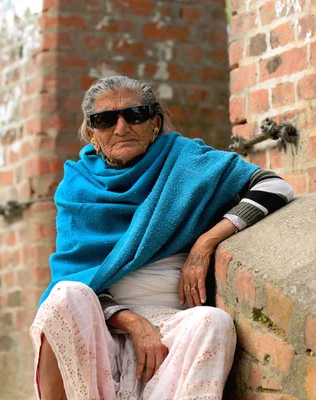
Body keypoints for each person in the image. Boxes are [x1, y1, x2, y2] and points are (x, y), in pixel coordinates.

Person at [30, 76, 294, 399]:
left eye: (135, 114)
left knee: (214, 322)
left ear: (155, 123)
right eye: (105, 120)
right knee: (65, 295)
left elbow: (275, 187)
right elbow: (77, 278)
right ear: (91, 135)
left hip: (174, 329)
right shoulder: (77, 187)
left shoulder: (186, 162)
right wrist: (131, 322)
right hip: (103, 331)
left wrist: (205, 243)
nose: (122, 127)